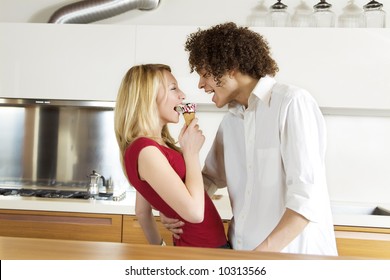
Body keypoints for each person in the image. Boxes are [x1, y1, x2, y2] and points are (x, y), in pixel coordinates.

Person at [161, 22, 338, 255]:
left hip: (291, 258)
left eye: (205, 74)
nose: (201, 84)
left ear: (230, 67)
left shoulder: (291, 103)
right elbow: (209, 179)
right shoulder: (231, 121)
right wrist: (175, 206)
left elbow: (306, 200)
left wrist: (257, 258)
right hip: (242, 253)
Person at [114, 64, 228, 248]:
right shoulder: (146, 150)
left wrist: (161, 248)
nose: (182, 95)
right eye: (173, 88)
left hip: (201, 249)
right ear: (148, 97)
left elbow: (142, 212)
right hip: (201, 252)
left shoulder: (153, 147)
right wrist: (191, 153)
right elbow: (195, 214)